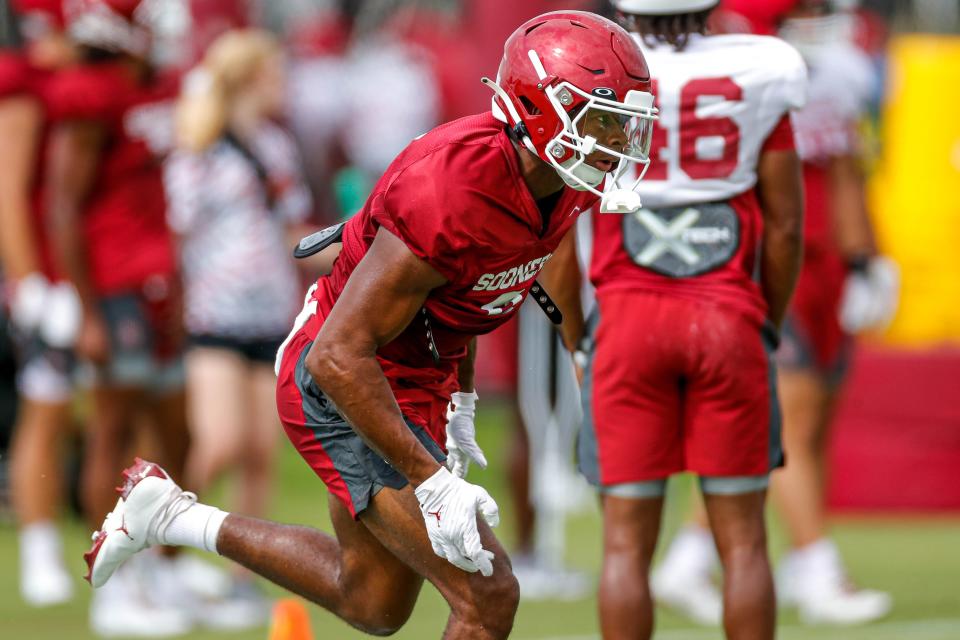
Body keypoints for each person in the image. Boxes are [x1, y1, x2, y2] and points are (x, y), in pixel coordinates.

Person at [83, 10, 658, 639]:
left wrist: (461, 396)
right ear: (537, 110)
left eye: (624, 121)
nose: (619, 139)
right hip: (343, 383)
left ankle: (169, 516)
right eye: (600, 119)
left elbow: (466, 293)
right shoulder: (450, 191)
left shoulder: (561, 180)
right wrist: (431, 481)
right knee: (488, 595)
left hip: (408, 374)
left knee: (372, 604)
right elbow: (337, 355)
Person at [540, 1, 807, 638]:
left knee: (625, 547)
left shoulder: (593, 77)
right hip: (727, 315)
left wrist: (578, 338)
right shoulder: (760, 67)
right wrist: (762, 318)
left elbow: (554, 242)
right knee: (742, 543)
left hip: (627, 322)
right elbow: (788, 227)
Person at [654, 0, 896, 626]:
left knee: (810, 421)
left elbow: (846, 172)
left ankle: (687, 556)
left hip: (821, 266)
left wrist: (866, 257)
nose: (816, 21)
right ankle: (816, 568)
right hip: (761, 261)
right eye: (798, 13)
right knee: (785, 418)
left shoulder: (836, 71)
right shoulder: (731, 76)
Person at [44, 0, 194, 635]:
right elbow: (61, 206)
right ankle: (110, 585)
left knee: (176, 430)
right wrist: (85, 309)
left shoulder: (148, 86)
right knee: (112, 432)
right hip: (113, 286)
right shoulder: (90, 96)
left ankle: (160, 568)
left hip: (157, 280)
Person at [163, 27, 313, 624]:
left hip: (268, 311)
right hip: (213, 312)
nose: (282, 84)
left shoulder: (275, 148)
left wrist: (363, 247)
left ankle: (238, 578)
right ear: (251, 77)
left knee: (258, 454)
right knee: (219, 441)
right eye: (273, 73)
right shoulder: (198, 145)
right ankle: (163, 548)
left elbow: (290, 230)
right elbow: (177, 229)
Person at [0, 0, 80, 608]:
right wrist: (30, 281)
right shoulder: (27, 87)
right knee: (45, 411)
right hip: (50, 279)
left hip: (94, 274)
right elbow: (9, 186)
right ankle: (38, 549)